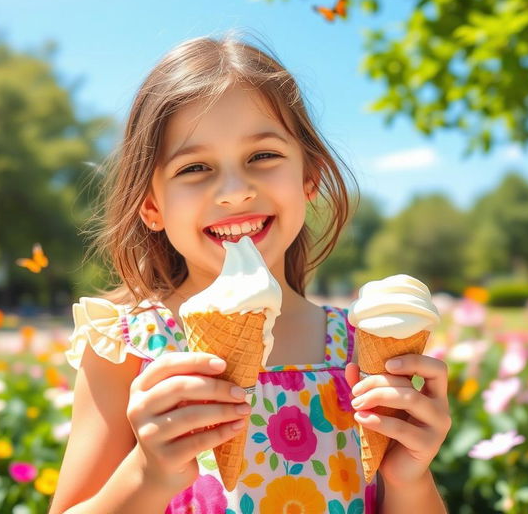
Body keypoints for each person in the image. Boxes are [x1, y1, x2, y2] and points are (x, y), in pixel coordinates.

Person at [49, 35, 451, 514]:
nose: (235, 192)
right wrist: (147, 473)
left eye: (263, 156)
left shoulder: (362, 347)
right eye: (195, 167)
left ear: (309, 178)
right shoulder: (125, 348)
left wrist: (411, 478)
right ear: (152, 205)